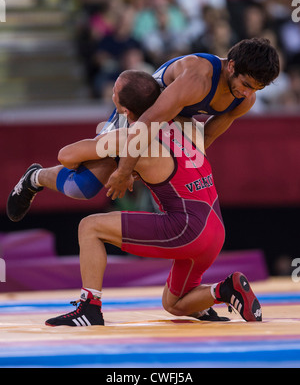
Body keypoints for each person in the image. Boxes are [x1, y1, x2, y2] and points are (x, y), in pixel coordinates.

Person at [43, 70, 262, 326]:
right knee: (174, 304)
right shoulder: (184, 122)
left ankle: (89, 308)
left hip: (187, 229)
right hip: (215, 229)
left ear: (124, 110)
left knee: (89, 227)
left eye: (114, 93)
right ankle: (225, 290)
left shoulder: (131, 137)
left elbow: (66, 155)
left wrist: (105, 141)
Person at [6, 37, 280, 220]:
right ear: (231, 66)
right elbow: (147, 122)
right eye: (246, 84)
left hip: (175, 121)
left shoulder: (245, 99)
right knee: (84, 187)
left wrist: (169, 169)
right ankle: (35, 178)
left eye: (256, 88)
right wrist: (125, 170)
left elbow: (204, 137)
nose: (247, 94)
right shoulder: (197, 78)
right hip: (144, 110)